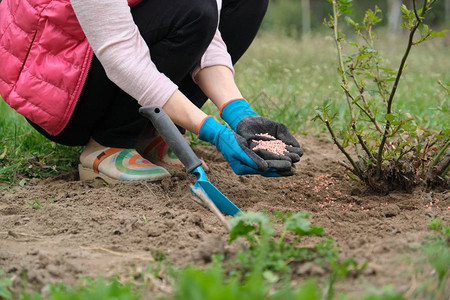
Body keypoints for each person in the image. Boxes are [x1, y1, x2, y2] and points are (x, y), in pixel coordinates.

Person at [0, 0, 303, 184]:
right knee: (193, 9)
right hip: (60, 84)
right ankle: (108, 144)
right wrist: (211, 131)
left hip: (104, 57)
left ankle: (153, 132)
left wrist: (239, 113)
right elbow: (120, 54)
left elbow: (208, 35)